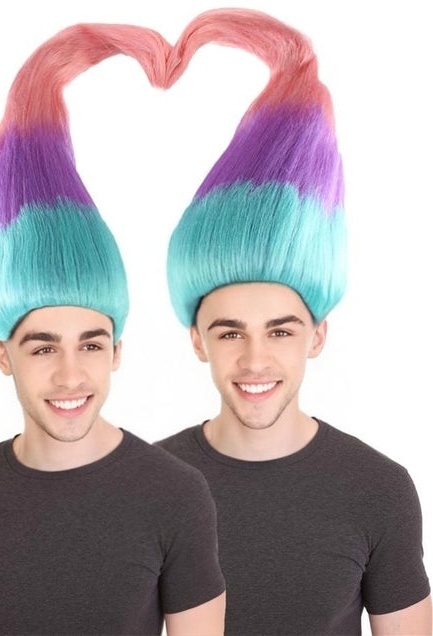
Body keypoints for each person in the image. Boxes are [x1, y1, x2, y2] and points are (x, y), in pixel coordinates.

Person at [0, 21, 225, 636]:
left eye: (91, 343)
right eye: (42, 347)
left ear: (117, 351)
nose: (70, 373)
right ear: (2, 353)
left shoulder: (176, 494)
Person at [154, 8, 432, 635]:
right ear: (197, 340)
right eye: (230, 332)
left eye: (280, 331)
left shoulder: (378, 489)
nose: (255, 360)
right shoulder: (145, 486)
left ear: (318, 335)